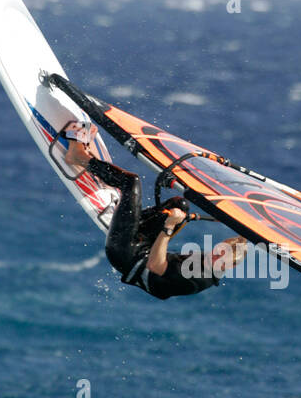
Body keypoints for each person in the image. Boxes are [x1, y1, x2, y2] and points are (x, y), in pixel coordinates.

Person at [61, 119, 247, 299]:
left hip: (124, 255)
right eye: (219, 250)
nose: (216, 255)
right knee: (179, 205)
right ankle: (128, 215)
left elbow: (155, 266)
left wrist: (168, 228)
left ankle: (77, 156)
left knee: (131, 183)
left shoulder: (198, 279)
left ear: (229, 266)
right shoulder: (208, 261)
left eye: (222, 257)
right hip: (143, 247)